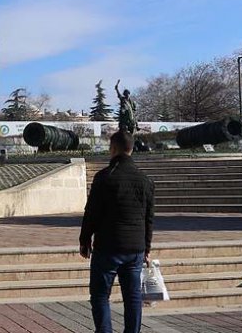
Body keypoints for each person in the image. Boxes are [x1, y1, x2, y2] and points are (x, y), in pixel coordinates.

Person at [80, 131, 155, 333]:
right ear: (131, 149)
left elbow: (92, 212)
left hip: (108, 247)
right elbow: (149, 218)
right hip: (135, 248)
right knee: (132, 297)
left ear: (113, 149)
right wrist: (147, 247)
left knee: (100, 295)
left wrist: (84, 240)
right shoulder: (145, 180)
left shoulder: (104, 177)